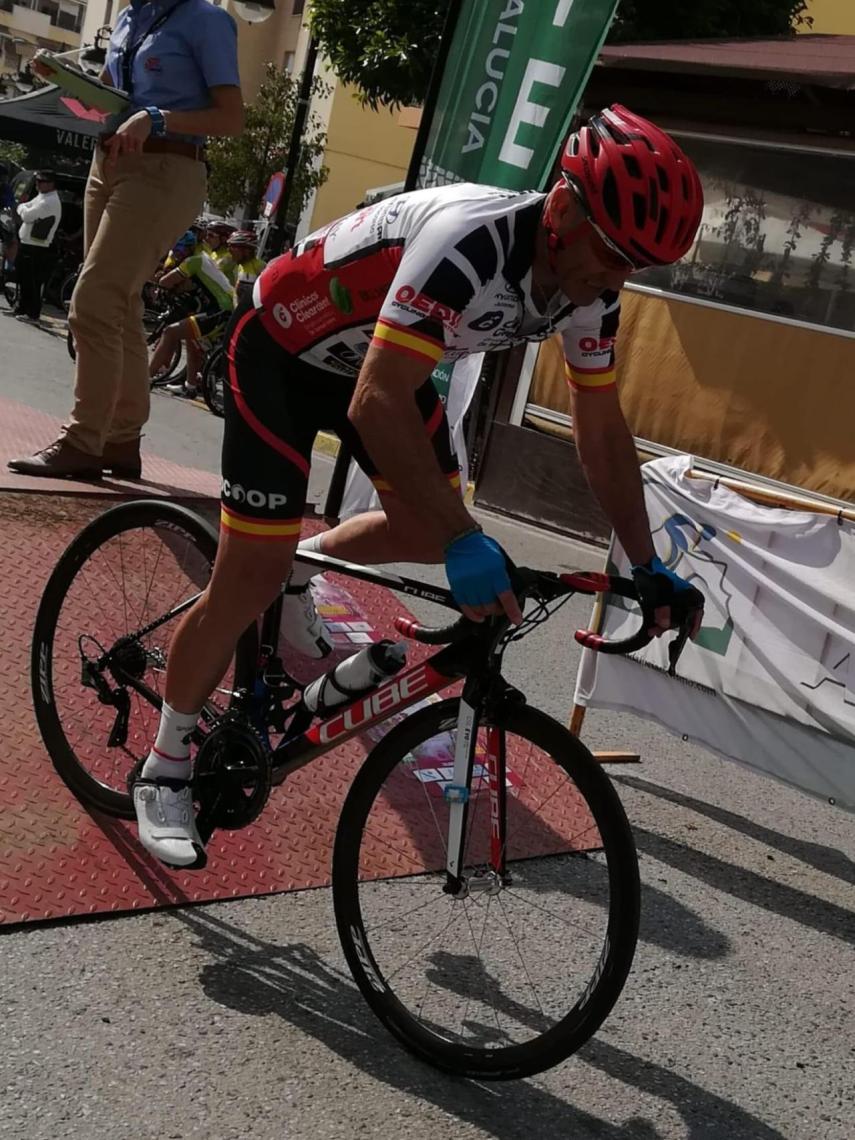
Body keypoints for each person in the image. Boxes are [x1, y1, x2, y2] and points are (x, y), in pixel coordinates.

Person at [131, 104, 706, 868]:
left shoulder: (591, 290)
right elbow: (377, 400)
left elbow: (599, 428)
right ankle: (165, 766)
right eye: (610, 254)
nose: (613, 278)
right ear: (563, 206)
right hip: (280, 348)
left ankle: (303, 571)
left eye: (634, 266)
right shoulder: (471, 242)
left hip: (371, 362)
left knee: (423, 527)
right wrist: (466, 537)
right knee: (251, 573)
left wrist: (643, 562)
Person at [8, 0, 243, 481]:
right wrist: (69, 83)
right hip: (107, 161)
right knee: (122, 304)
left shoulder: (206, 19)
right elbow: (116, 101)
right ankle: (119, 440)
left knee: (93, 299)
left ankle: (82, 440)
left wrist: (157, 117)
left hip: (166, 165)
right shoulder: (128, 20)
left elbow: (230, 118)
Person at [150, 245, 234, 398]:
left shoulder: (193, 261)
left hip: (219, 310)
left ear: (188, 250)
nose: (176, 255)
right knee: (191, 340)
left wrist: (159, 288)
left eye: (179, 252)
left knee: (170, 332)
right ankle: (191, 386)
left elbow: (165, 281)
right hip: (222, 307)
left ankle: (146, 377)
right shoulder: (203, 257)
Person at [13, 170, 62, 323]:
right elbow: (25, 206)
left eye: (42, 182)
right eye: (37, 182)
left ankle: (32, 313)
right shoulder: (42, 197)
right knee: (24, 278)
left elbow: (26, 215)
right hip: (28, 243)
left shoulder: (49, 201)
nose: (38, 185)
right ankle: (22, 307)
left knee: (32, 281)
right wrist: (23, 208)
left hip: (36, 246)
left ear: (51, 184)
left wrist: (22, 209)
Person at [224, 228, 265, 300]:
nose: (229, 250)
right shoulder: (240, 266)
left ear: (247, 250)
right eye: (229, 246)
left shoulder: (261, 267)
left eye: (233, 246)